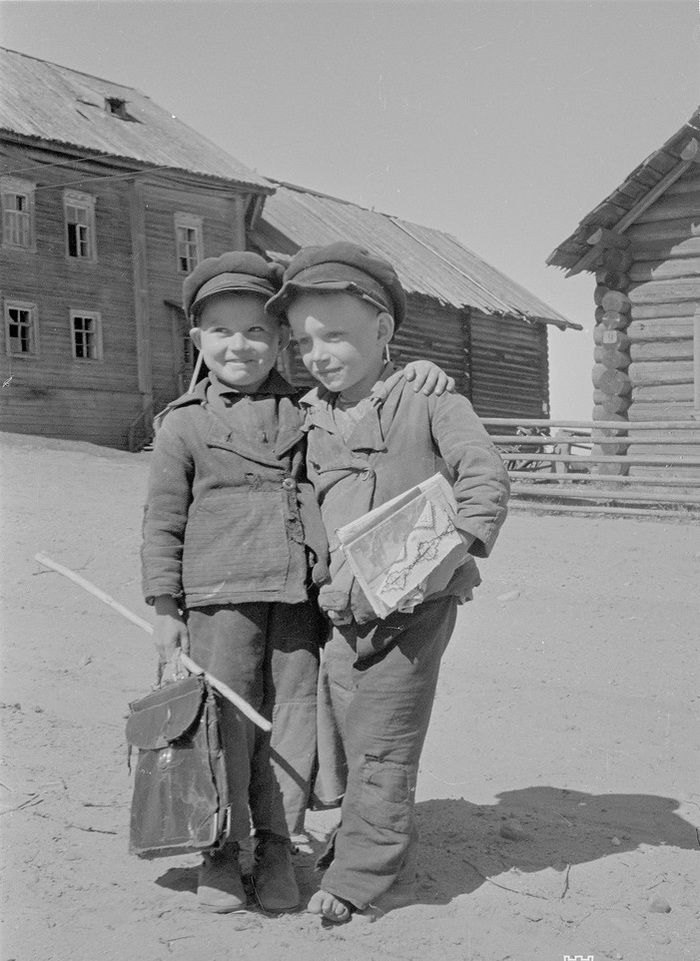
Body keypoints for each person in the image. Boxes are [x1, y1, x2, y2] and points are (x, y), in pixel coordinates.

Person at [141, 250, 454, 916]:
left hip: (294, 600)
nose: (241, 345)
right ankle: (222, 852)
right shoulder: (182, 424)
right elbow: (162, 522)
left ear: (280, 339)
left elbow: (372, 401)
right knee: (220, 726)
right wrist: (165, 605)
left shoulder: (306, 410)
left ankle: (279, 847)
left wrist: (420, 369)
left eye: (257, 330)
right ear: (197, 339)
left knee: (292, 727)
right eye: (221, 330)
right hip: (215, 604)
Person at [266, 242, 510, 923]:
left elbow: (484, 473)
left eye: (336, 335)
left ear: (383, 332)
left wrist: (451, 546)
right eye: (304, 341)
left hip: (414, 611)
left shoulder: (428, 398)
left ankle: (364, 879)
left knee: (384, 737)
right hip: (344, 611)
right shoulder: (308, 418)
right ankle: (358, 840)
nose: (318, 354)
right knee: (345, 734)